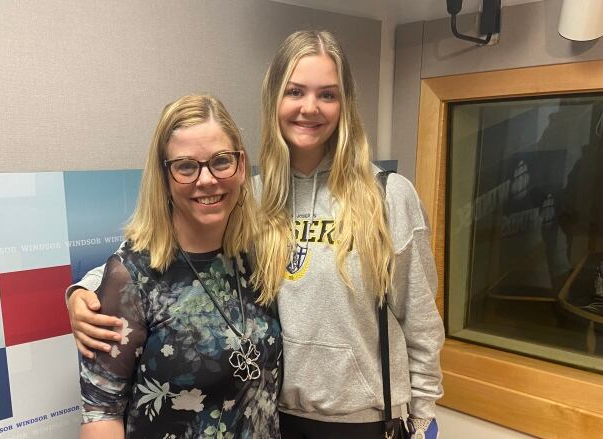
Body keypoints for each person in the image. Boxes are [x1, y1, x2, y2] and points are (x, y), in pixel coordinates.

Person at [69, 31, 443, 439]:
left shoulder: (387, 196)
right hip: (278, 416)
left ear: (345, 103)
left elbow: (420, 319)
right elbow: (155, 258)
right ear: (275, 99)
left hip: (364, 420)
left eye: (328, 94)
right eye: (295, 91)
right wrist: (81, 292)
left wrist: (423, 414)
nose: (309, 108)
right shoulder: (254, 198)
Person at [77, 94, 282, 439]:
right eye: (186, 166)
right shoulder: (132, 277)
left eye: (221, 161)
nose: (206, 180)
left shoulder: (259, 257)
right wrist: (79, 292)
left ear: (241, 166)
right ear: (165, 177)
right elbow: (100, 412)